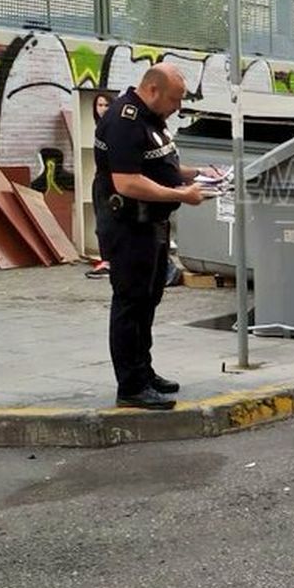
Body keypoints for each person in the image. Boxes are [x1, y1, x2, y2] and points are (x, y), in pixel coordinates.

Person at [93, 65, 211, 409]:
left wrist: (199, 175)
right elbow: (127, 182)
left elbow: (159, 165)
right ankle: (130, 387)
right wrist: (182, 195)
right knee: (131, 303)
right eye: (174, 99)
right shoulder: (124, 121)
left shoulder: (152, 118)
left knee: (148, 300)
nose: (177, 106)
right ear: (154, 90)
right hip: (129, 226)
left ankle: (144, 371)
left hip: (152, 226)